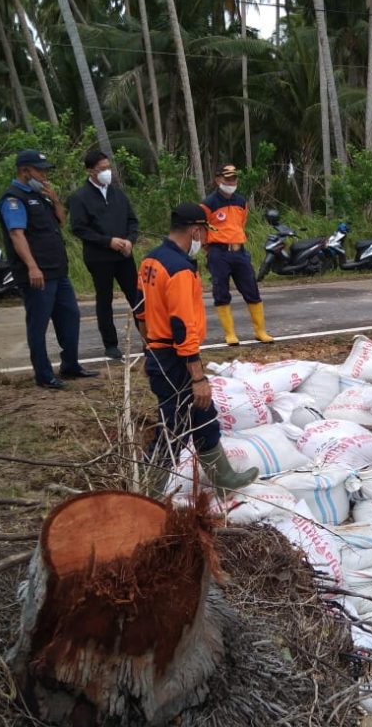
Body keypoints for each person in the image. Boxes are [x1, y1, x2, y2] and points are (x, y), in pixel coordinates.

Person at [135, 203, 258, 493]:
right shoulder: (179, 269)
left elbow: (140, 311)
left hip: (159, 352)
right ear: (194, 230)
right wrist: (198, 377)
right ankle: (147, 495)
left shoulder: (150, 261)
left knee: (203, 415)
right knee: (174, 429)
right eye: (203, 233)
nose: (204, 240)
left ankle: (223, 478)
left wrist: (147, 350)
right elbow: (182, 327)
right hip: (176, 359)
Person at [0, 149, 97, 389]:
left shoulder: (40, 195)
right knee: (39, 325)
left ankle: (70, 365)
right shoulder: (13, 199)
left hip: (58, 270)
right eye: (39, 170)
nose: (43, 175)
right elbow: (17, 235)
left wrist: (55, 199)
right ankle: (44, 375)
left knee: (70, 317)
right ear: (25, 171)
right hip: (37, 273)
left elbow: (61, 222)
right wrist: (32, 267)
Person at [68, 150, 142, 361]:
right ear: (91, 171)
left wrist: (130, 240)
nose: (107, 172)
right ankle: (110, 344)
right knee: (104, 299)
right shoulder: (80, 197)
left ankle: (149, 338)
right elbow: (79, 228)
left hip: (124, 254)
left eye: (108, 168)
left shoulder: (117, 193)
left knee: (136, 297)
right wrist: (108, 241)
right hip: (99, 257)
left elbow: (132, 220)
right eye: (102, 169)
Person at [201, 163, 273, 346]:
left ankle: (260, 331)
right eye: (227, 179)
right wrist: (206, 248)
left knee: (251, 289)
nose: (231, 182)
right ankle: (230, 334)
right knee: (221, 291)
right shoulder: (209, 203)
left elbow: (241, 224)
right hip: (218, 252)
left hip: (239, 251)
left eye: (234, 178)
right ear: (218, 180)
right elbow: (201, 227)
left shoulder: (241, 201)